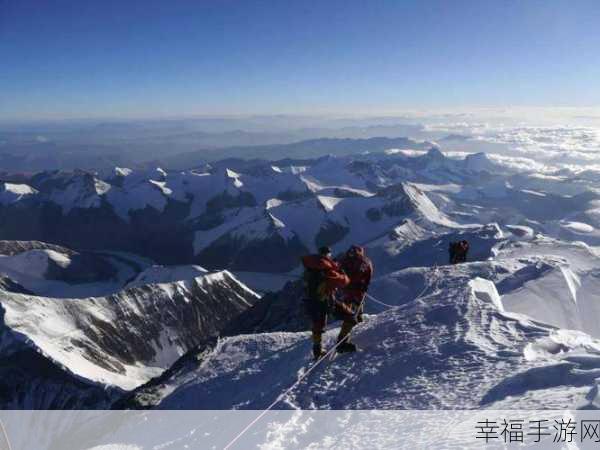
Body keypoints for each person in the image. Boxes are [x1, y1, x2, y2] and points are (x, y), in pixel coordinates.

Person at [301, 246, 350, 359]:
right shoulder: (327, 269)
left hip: (311, 300)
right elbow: (344, 282)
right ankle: (342, 343)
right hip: (325, 300)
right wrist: (340, 271)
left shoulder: (310, 267)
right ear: (328, 255)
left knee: (318, 324)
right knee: (350, 316)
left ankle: (317, 350)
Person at [337, 245, 373, 353]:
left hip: (346, 291)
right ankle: (342, 342)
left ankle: (358, 320)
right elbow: (369, 275)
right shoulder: (365, 261)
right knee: (352, 313)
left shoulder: (344, 260)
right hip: (358, 291)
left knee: (349, 311)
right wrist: (365, 286)